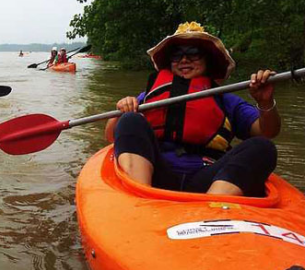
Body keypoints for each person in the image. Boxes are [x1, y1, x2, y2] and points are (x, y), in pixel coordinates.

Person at [104, 21, 281, 197]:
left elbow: (267, 131)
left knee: (263, 147)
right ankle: (140, 197)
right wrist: (122, 110)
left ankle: (212, 207)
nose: (184, 59)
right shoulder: (149, 96)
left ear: (208, 60)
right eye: (177, 54)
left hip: (209, 180)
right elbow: (112, 136)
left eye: (193, 53)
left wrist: (265, 102)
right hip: (156, 173)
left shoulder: (226, 99)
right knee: (130, 119)